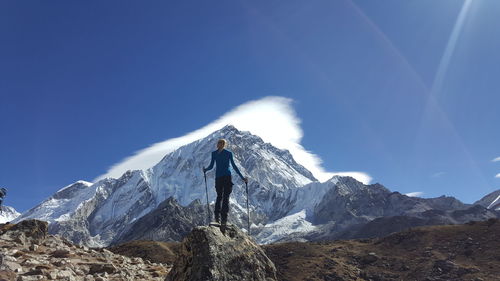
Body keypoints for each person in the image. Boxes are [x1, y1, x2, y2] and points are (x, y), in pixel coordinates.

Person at [203, 139, 248, 230]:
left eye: (220, 143)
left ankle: (221, 219)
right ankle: (220, 219)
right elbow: (212, 165)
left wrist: (242, 177)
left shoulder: (224, 153)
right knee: (222, 197)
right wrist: (206, 169)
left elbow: (234, 166)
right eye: (218, 143)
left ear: (223, 144)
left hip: (222, 177)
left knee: (222, 197)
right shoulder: (219, 153)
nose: (218, 144)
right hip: (224, 177)